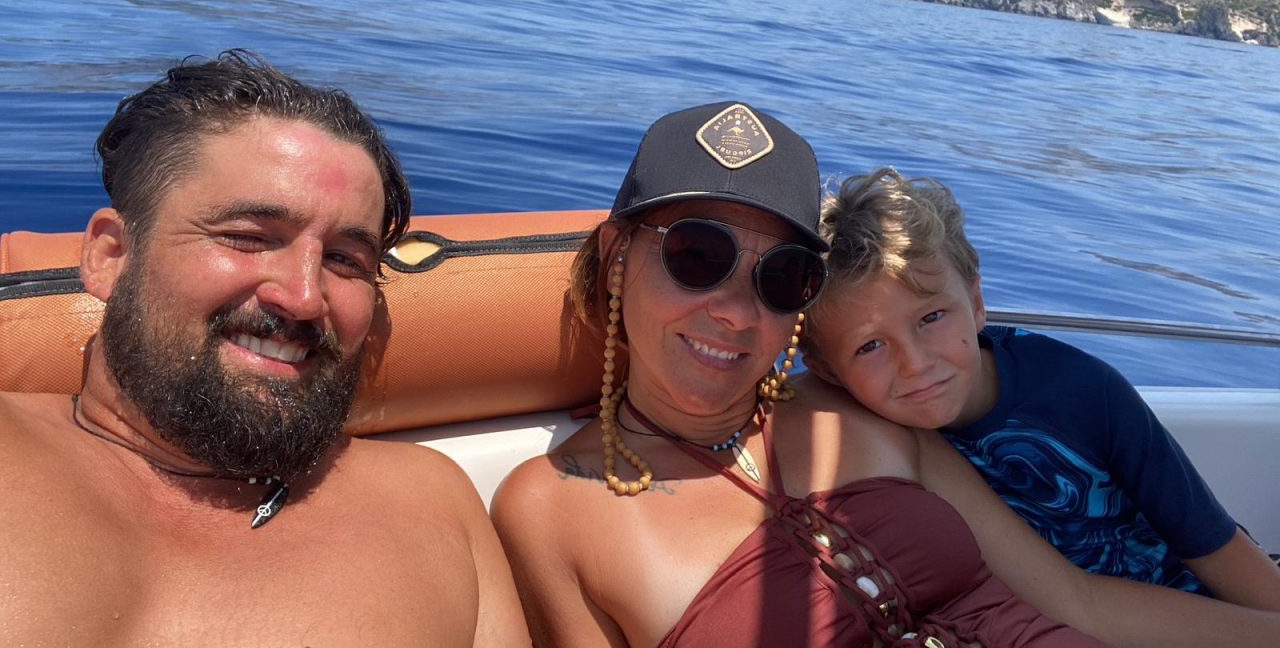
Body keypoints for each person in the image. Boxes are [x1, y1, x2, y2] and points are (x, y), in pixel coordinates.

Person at [491, 101, 1280, 647]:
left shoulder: (855, 413)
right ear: (615, 257)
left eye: (782, 277)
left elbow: (1074, 604)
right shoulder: (553, 508)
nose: (735, 311)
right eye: (698, 256)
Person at [0, 50, 529, 646]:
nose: (304, 297)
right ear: (111, 257)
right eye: (247, 238)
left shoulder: (434, 504)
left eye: (344, 259)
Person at [800, 167, 1280, 611]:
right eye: (870, 345)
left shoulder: (1083, 391)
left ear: (977, 303)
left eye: (932, 317)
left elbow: (1216, 547)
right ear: (828, 371)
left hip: (1191, 607)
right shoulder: (864, 430)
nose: (916, 363)